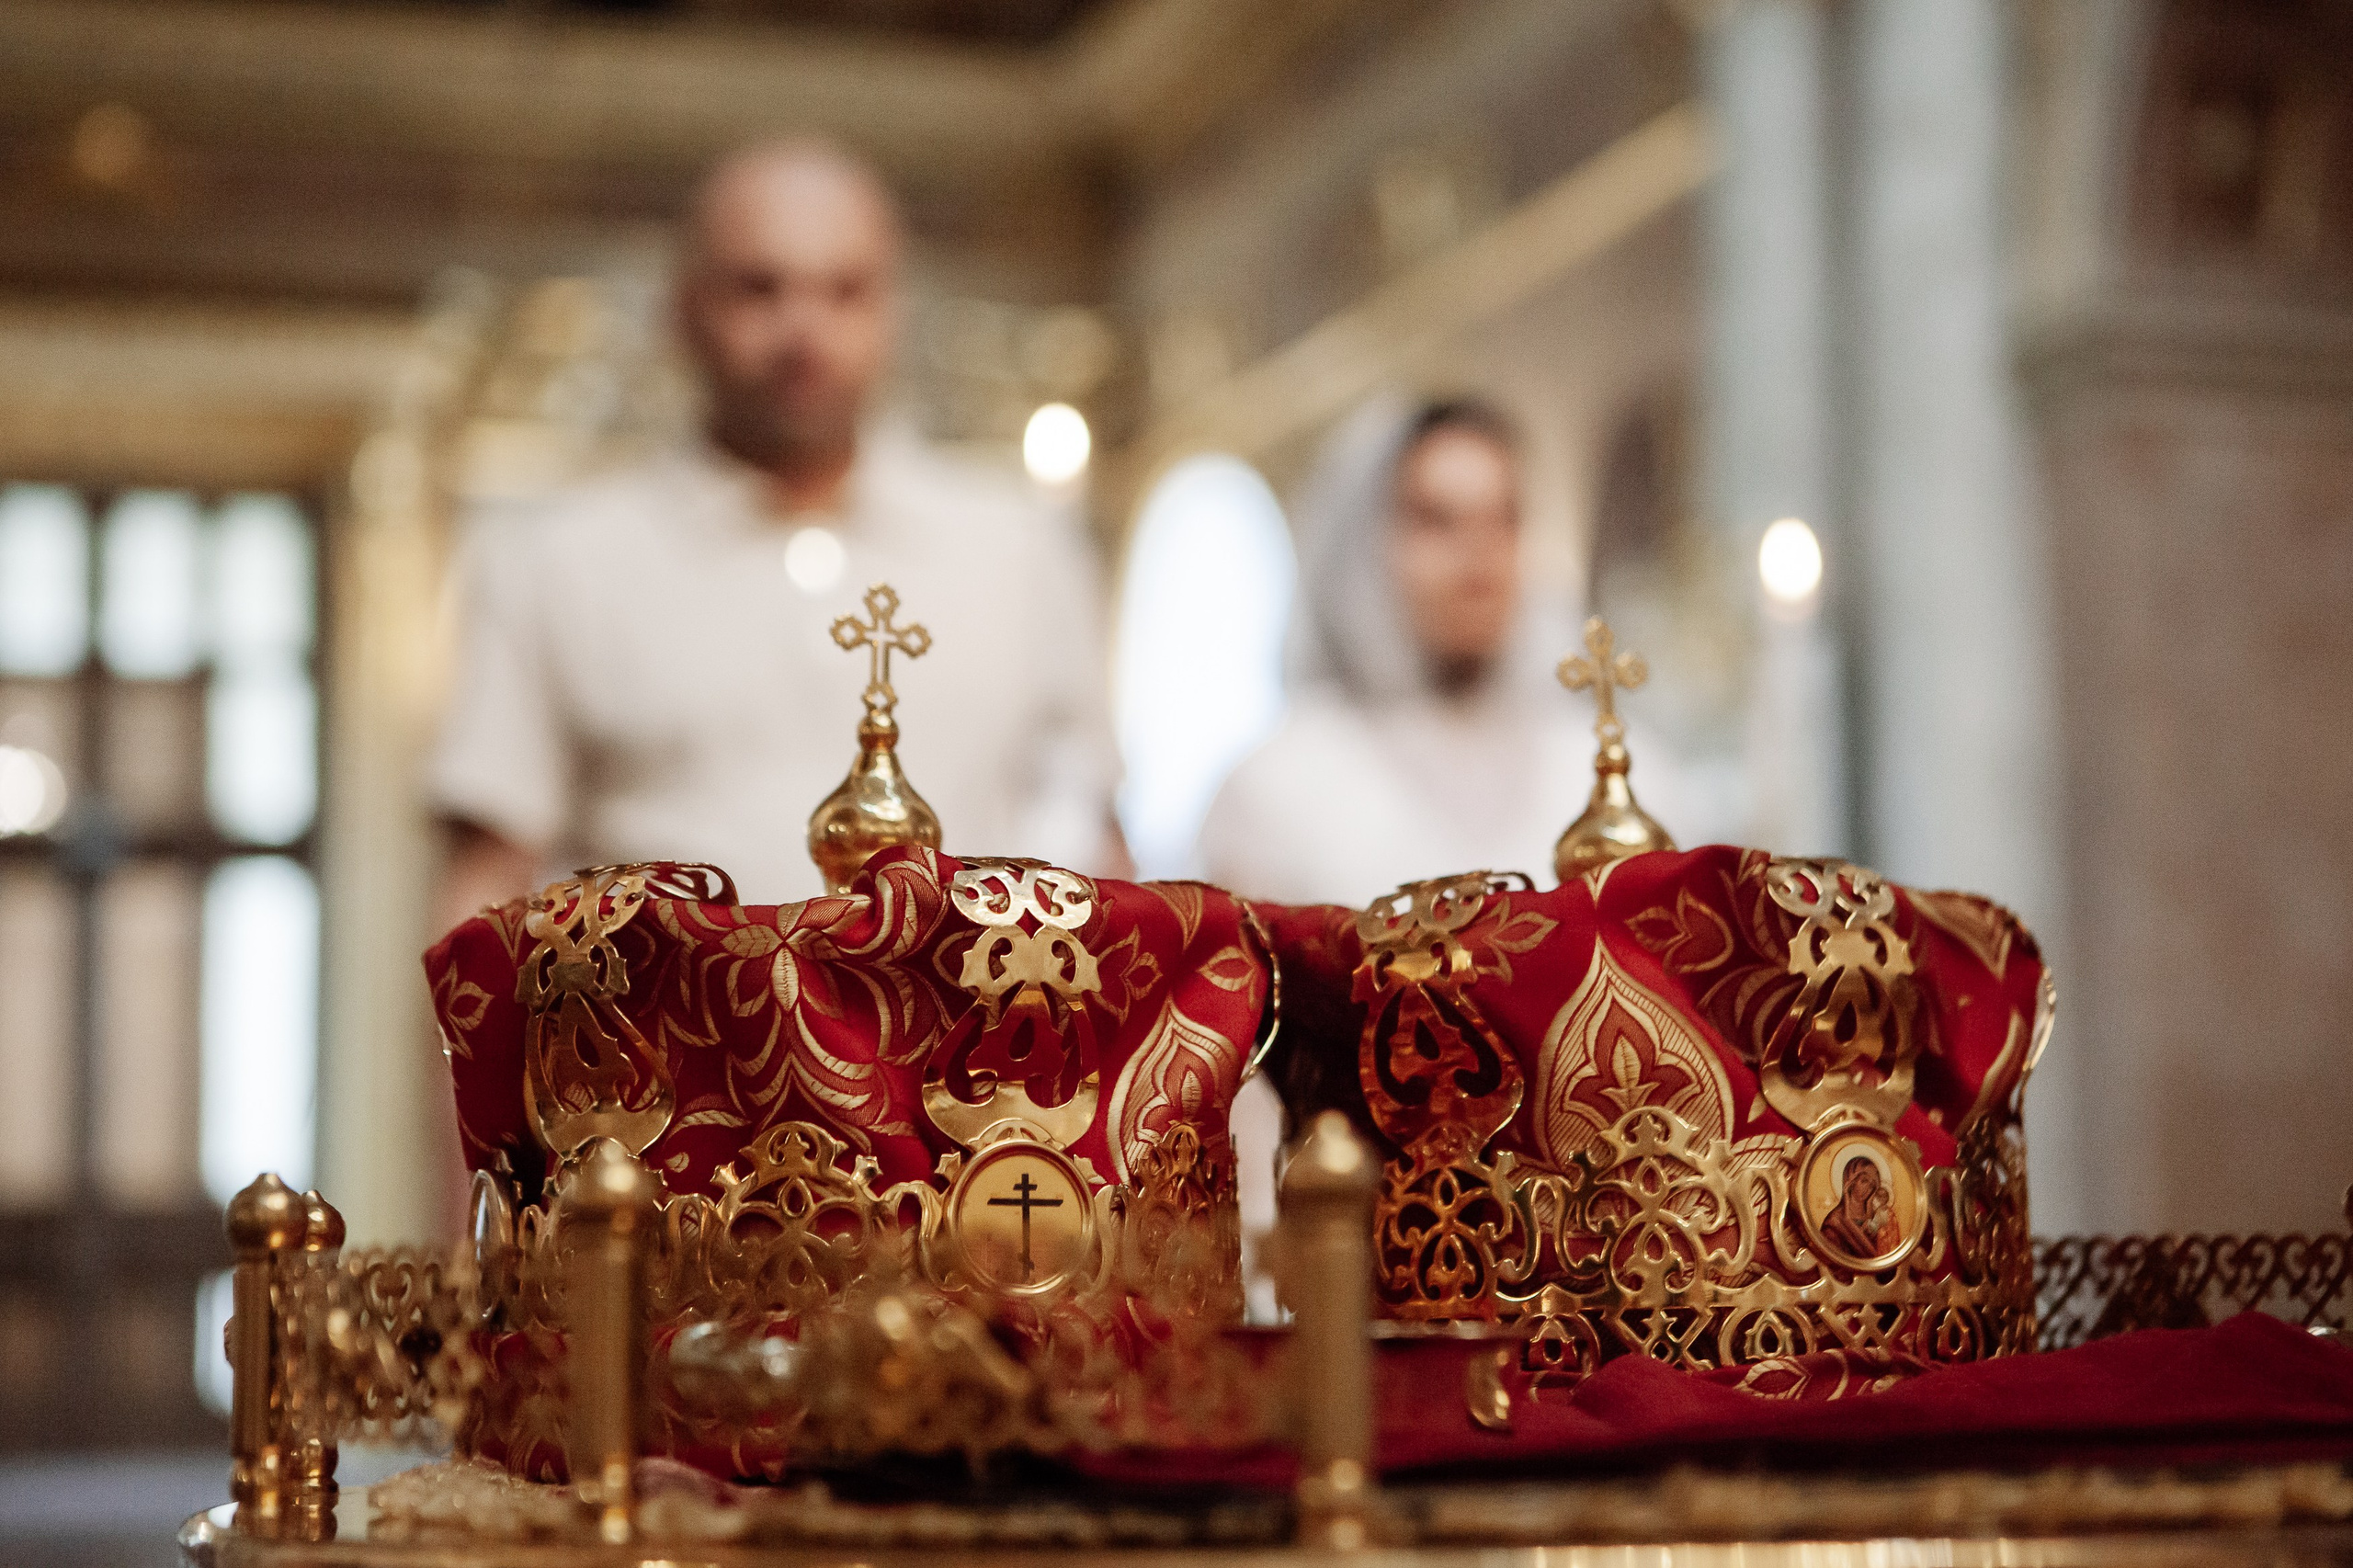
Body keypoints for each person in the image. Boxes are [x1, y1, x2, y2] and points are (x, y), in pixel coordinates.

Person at [430, 141, 1120, 919]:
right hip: (654, 1005)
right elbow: (485, 885)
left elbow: (1097, 849)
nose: (804, 332)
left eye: (845, 291)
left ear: (894, 311)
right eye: (759, 289)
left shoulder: (1018, 552)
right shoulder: (558, 562)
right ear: (684, 309)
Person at [1199, 394, 1673, 906]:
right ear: (1364, 545)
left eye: (1503, 519)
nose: (1478, 554)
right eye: (1437, 520)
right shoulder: (1276, 789)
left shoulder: (1622, 778)